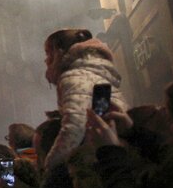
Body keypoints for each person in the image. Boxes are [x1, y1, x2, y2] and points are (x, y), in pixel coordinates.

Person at [42, 28, 127, 169]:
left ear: (59, 52)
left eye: (48, 53)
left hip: (97, 160)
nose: (45, 60)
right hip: (115, 150)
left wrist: (51, 166)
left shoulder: (73, 78)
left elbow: (75, 127)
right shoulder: (95, 73)